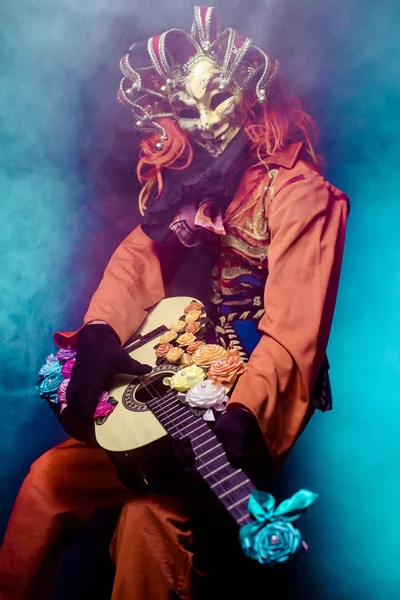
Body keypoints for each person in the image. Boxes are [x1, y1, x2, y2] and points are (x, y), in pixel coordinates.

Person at [0, 5, 349, 599]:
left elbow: (296, 327)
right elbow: (138, 257)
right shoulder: (195, 186)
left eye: (217, 97)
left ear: (249, 95)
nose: (206, 118)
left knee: (149, 521)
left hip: (245, 401)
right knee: (47, 483)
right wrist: (99, 334)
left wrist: (243, 418)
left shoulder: (302, 196)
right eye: (189, 105)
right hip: (167, 383)